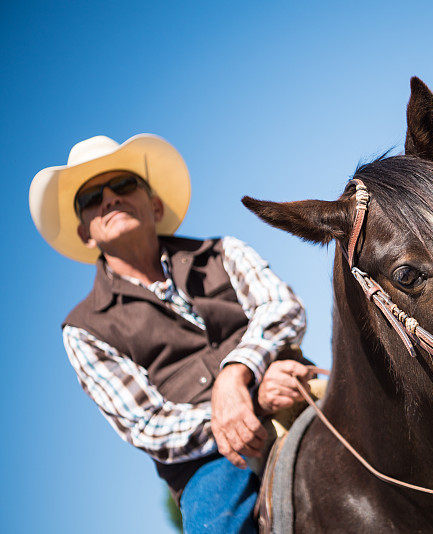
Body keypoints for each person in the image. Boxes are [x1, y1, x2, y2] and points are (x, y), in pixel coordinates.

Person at [29, 134, 311, 533]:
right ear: (85, 234)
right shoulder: (84, 329)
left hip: (296, 392)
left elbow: (283, 308)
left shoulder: (223, 251)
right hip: (212, 464)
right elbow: (147, 424)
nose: (109, 199)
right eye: (92, 197)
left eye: (123, 185)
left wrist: (237, 373)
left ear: (155, 205)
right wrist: (252, 404)